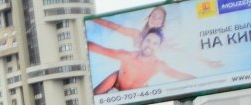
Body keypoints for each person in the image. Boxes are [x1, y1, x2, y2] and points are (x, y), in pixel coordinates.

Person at [92, 8, 222, 70]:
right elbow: (112, 25)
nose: (155, 19)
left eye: (159, 18)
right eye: (154, 16)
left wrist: (207, 62)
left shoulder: (164, 43)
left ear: (162, 23)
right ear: (149, 17)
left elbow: (186, 52)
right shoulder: (136, 33)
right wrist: (90, 19)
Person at [89, 29, 194, 94]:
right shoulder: (127, 56)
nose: (150, 45)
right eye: (148, 40)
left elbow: (178, 75)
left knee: (145, 88)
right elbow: (102, 50)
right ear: (142, 41)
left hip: (136, 96)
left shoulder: (158, 65)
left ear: (158, 47)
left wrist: (205, 83)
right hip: (116, 90)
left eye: (155, 43)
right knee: (115, 75)